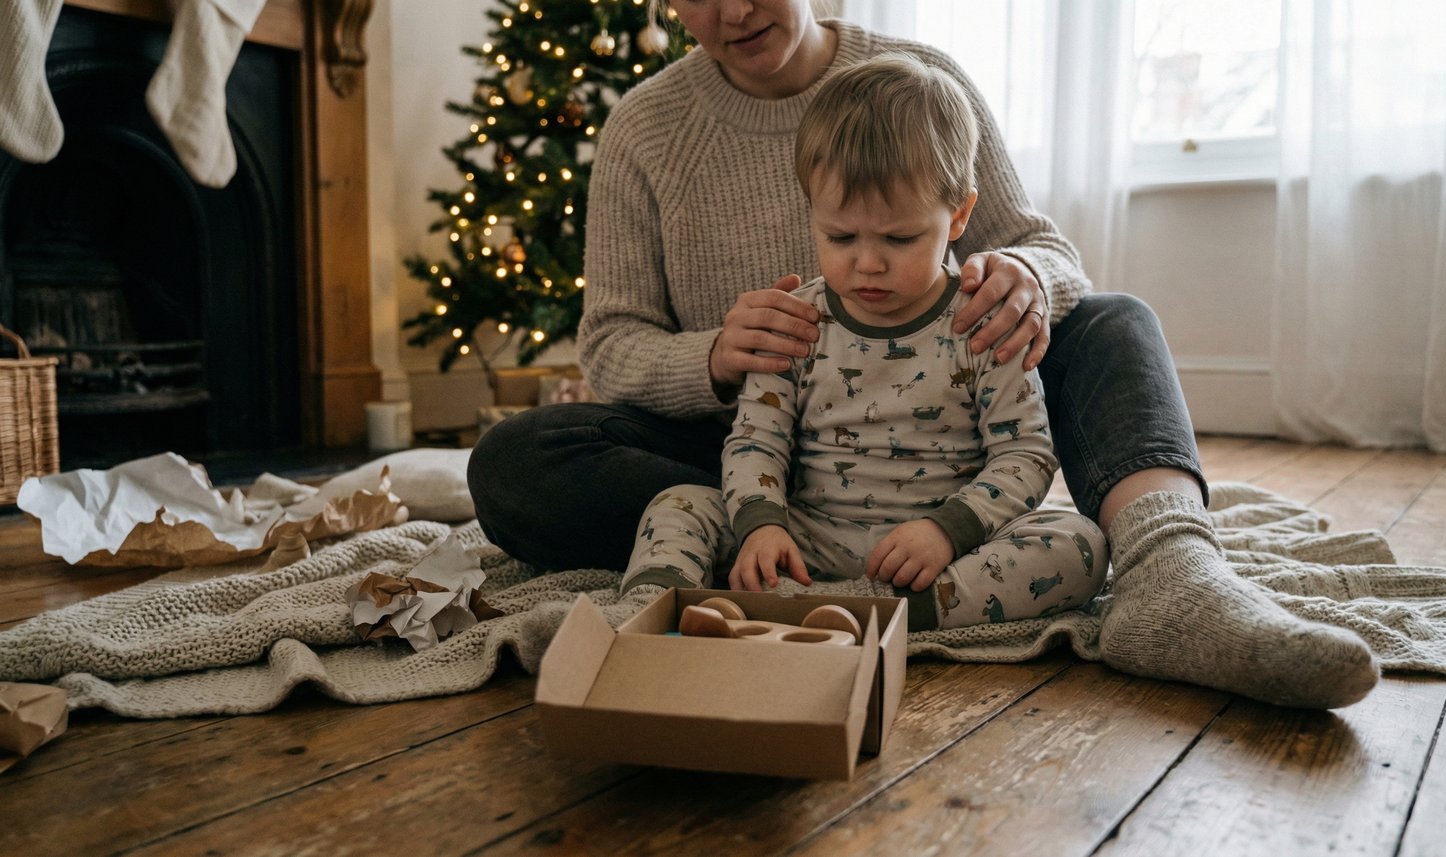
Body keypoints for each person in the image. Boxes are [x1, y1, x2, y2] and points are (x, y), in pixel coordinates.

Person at [468, 0, 1378, 707]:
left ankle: (1174, 581)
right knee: (514, 458)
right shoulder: (644, 128)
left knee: (1116, 320)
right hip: (751, 450)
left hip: (952, 432)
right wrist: (714, 357)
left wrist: (1020, 272)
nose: (731, 13)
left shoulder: (918, 79)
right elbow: (612, 344)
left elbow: (1049, 251)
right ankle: (723, 580)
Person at [622, 54, 1109, 632]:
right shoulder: (798, 320)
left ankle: (894, 613)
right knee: (679, 504)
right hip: (808, 541)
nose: (868, 263)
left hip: (941, 552)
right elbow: (756, 440)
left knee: (1079, 545)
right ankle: (645, 620)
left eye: (900, 238)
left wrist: (946, 532)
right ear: (812, 212)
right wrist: (762, 525)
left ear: (959, 215)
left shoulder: (983, 318)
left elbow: (1025, 454)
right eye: (840, 236)